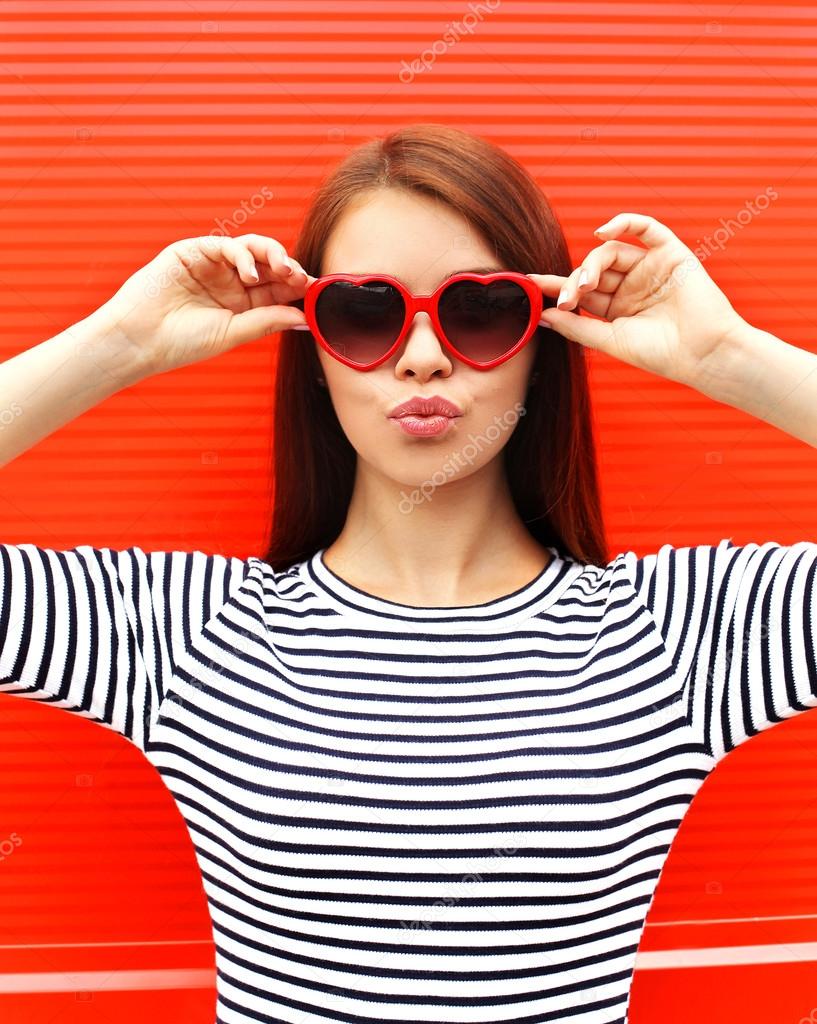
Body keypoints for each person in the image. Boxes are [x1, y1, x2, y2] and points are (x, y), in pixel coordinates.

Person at [1, 123, 815, 1024]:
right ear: (310, 351)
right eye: (362, 312)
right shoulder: (185, 633)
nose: (422, 355)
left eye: (479, 311)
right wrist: (119, 343)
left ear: (543, 341)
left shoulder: (679, 634)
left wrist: (725, 357)